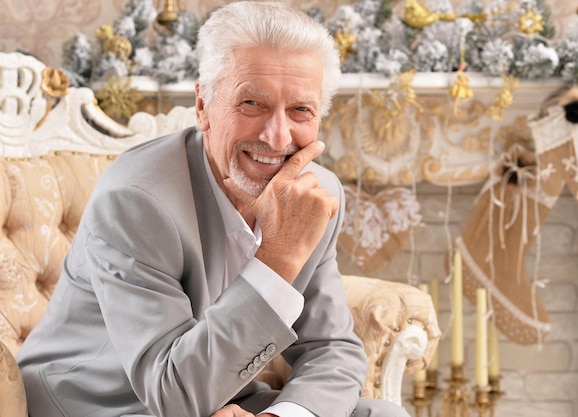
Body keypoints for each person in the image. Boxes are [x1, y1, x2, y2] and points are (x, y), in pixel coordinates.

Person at [17, 2, 411, 417]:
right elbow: (173, 394)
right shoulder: (135, 201)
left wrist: (282, 416)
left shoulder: (315, 196)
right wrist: (279, 255)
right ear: (203, 106)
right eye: (251, 104)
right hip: (108, 402)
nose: (277, 138)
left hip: (222, 396)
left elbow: (332, 349)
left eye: (300, 110)